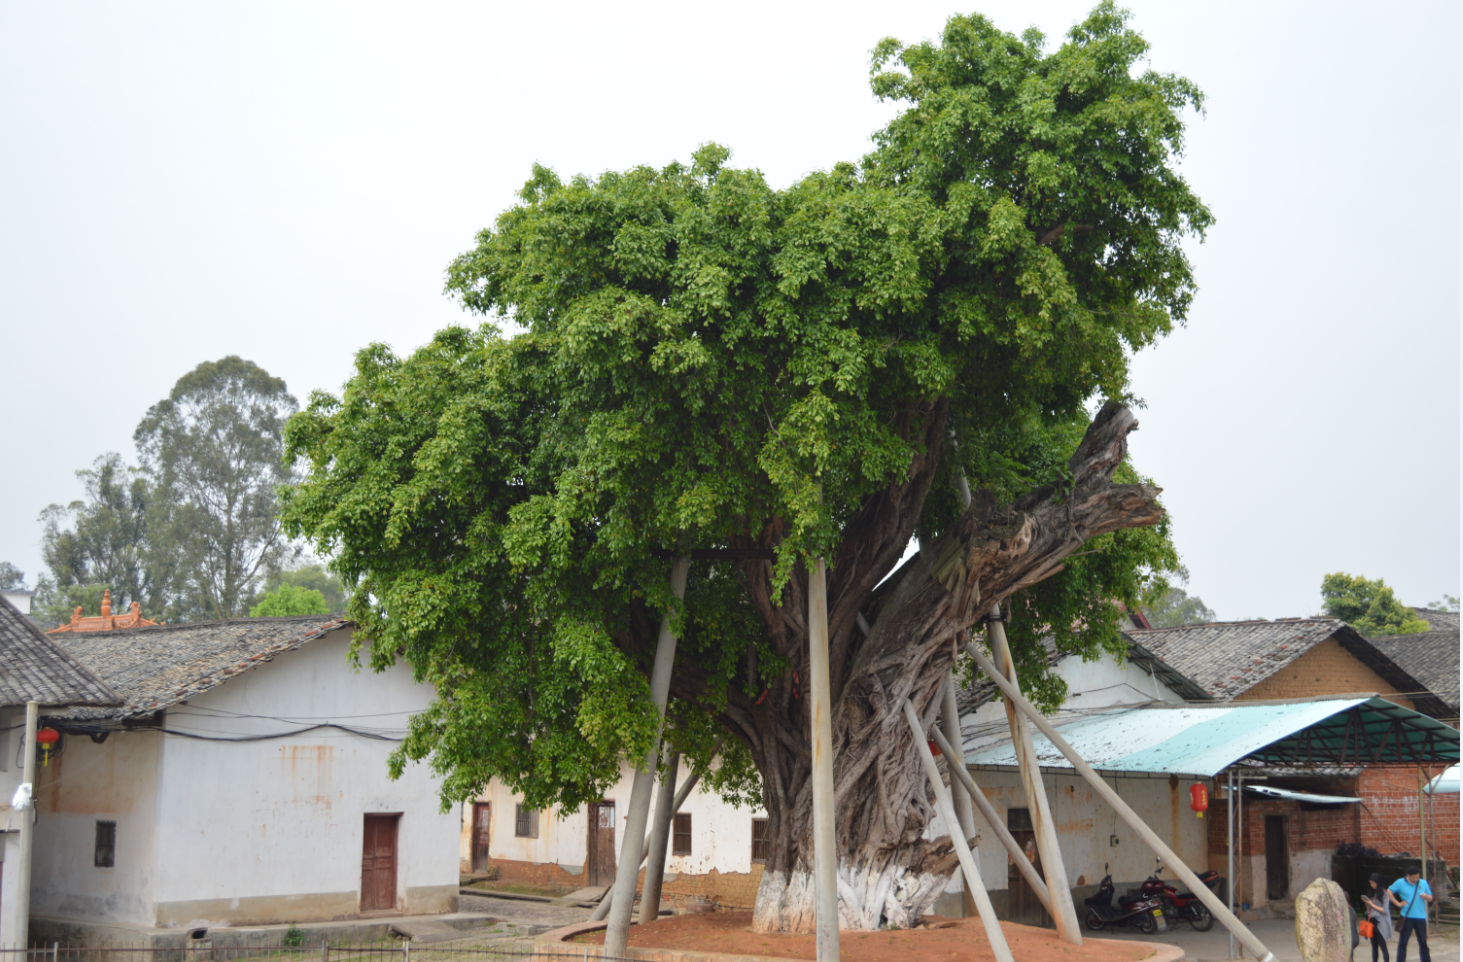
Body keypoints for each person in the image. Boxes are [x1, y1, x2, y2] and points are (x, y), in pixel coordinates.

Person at [1388, 867, 1434, 962]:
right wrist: (1398, 903)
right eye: (1413, 878)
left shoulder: (1423, 883)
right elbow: (1388, 892)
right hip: (1407, 917)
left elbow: (1431, 898)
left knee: (1423, 943)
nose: (1415, 879)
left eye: (1417, 877)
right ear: (1408, 875)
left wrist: (1426, 896)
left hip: (1420, 917)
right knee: (1403, 943)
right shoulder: (1400, 882)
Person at [1361, 872, 1395, 962]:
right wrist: (1366, 902)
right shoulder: (1372, 892)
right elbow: (1369, 908)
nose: (1372, 885)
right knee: (1374, 946)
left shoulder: (1384, 894)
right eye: (1370, 883)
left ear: (1378, 882)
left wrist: (1371, 904)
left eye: (1373, 883)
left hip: (1380, 923)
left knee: (1383, 946)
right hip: (1372, 922)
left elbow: (1385, 910)